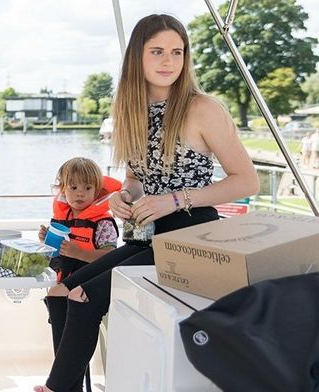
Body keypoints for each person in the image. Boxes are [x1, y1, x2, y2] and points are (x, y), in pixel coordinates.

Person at [34, 14, 259, 392]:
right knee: (59, 293)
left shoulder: (202, 108)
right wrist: (123, 197)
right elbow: (137, 179)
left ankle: (54, 389)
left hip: (192, 233)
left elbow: (246, 180)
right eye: (157, 51)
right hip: (147, 235)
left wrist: (174, 199)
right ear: (136, 57)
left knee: (84, 297)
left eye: (177, 52)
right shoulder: (130, 112)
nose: (169, 61)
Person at [37, 157, 121, 284]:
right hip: (61, 282)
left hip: (89, 286)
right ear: (63, 189)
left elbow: (110, 257)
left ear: (96, 191)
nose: (80, 193)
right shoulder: (63, 217)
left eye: (87, 188)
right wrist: (46, 238)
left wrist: (80, 253)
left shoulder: (103, 224)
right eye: (74, 187)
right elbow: (55, 251)